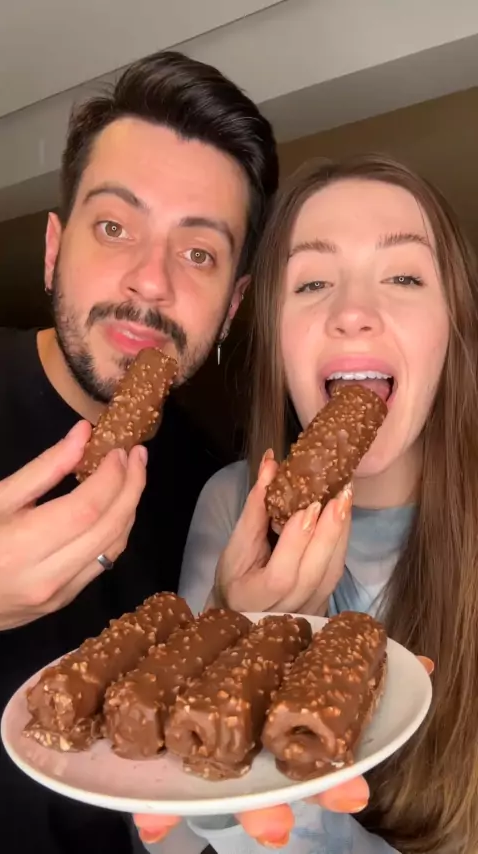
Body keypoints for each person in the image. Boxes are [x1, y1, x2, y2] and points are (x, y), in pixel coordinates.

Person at [136, 154, 478, 853]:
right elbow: (167, 841)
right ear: (275, 335)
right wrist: (236, 650)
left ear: (455, 327)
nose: (352, 313)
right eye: (313, 282)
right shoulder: (233, 501)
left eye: (404, 277)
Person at [0, 50, 278, 854]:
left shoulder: (214, 490)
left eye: (199, 253)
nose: (150, 282)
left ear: (233, 307)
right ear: (54, 249)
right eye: (114, 227)